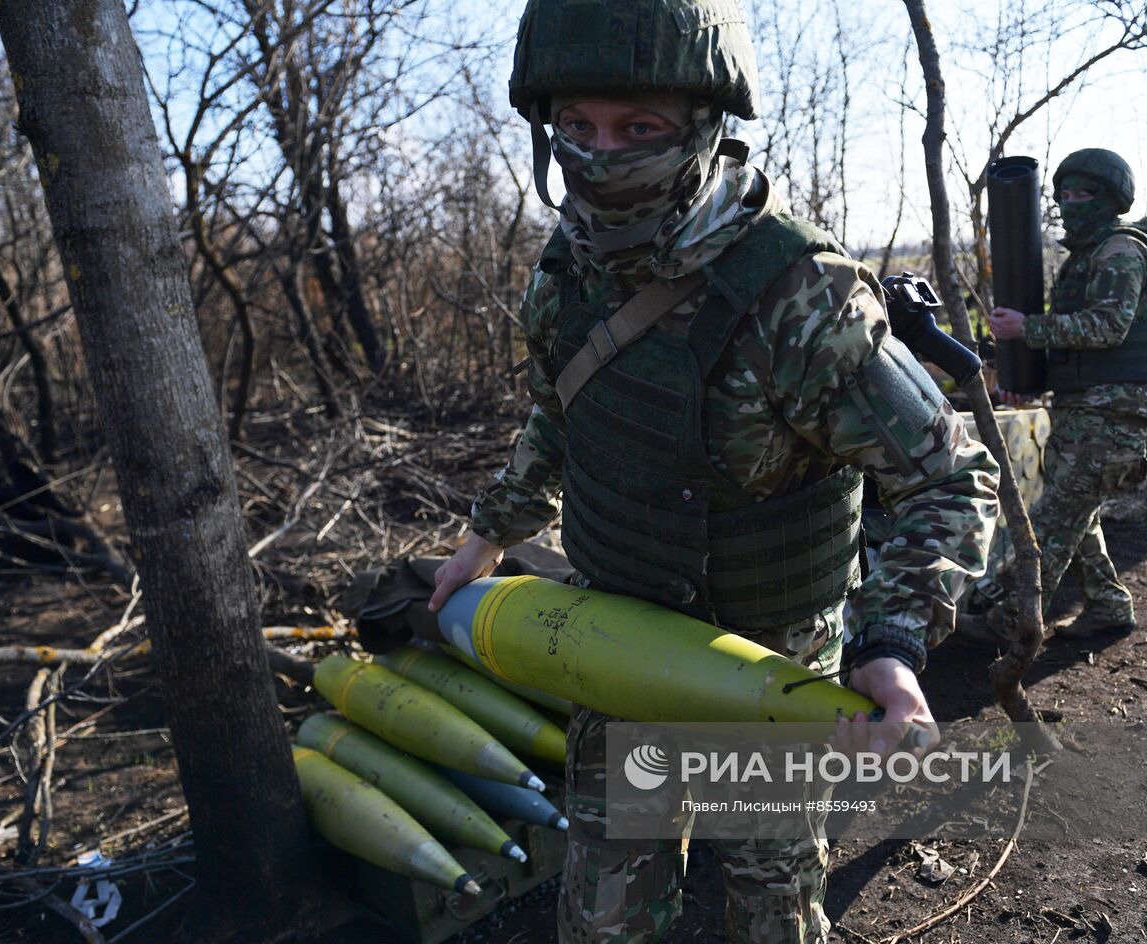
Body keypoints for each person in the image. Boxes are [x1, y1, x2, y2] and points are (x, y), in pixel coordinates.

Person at [428, 2, 1000, 940]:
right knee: (607, 917)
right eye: (578, 127)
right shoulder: (566, 276)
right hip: (616, 642)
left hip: (770, 664)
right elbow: (559, 415)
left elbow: (946, 476)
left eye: (639, 127)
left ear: (702, 127)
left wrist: (892, 639)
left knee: (771, 911)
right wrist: (486, 535)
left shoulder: (798, 293)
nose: (602, 153)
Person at [985, 147, 1147, 640]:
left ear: (1110, 199)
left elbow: (1109, 328)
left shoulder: (1120, 252)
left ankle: (1013, 625)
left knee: (1050, 525)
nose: (1070, 204)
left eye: (1083, 194)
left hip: (1113, 420)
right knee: (1077, 517)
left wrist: (1029, 328)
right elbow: (1086, 352)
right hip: (1089, 414)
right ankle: (1109, 604)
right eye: (1063, 195)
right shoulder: (1091, 255)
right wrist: (1029, 379)